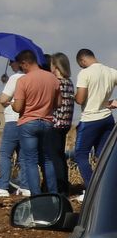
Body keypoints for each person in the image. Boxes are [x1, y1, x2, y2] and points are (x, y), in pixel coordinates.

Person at [11, 50, 59, 195]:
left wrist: (13, 104)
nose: (21, 69)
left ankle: (36, 195)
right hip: (47, 122)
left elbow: (18, 107)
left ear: (25, 63)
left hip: (28, 122)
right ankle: (53, 193)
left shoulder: (23, 80)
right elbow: (58, 103)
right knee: (48, 159)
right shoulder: (52, 78)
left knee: (30, 161)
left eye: (21, 66)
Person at [73, 49, 117, 198]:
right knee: (103, 155)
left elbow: (80, 99)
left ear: (82, 61)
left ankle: (92, 190)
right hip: (107, 117)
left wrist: (74, 95)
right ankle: (108, 187)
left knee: (80, 155)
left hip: (90, 119)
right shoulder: (111, 72)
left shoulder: (85, 73)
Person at [0, 60, 26, 198]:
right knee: (23, 156)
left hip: (12, 119)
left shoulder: (15, 78)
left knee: (5, 154)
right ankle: (24, 185)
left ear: (19, 63)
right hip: (25, 121)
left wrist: (8, 101)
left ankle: (3, 186)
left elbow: (3, 98)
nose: (10, 64)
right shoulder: (29, 77)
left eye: (12, 62)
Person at [49, 53, 76, 198]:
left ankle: (59, 187)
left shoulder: (56, 83)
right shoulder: (69, 82)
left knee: (54, 157)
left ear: (56, 66)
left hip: (55, 123)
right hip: (66, 124)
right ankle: (64, 186)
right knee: (60, 156)